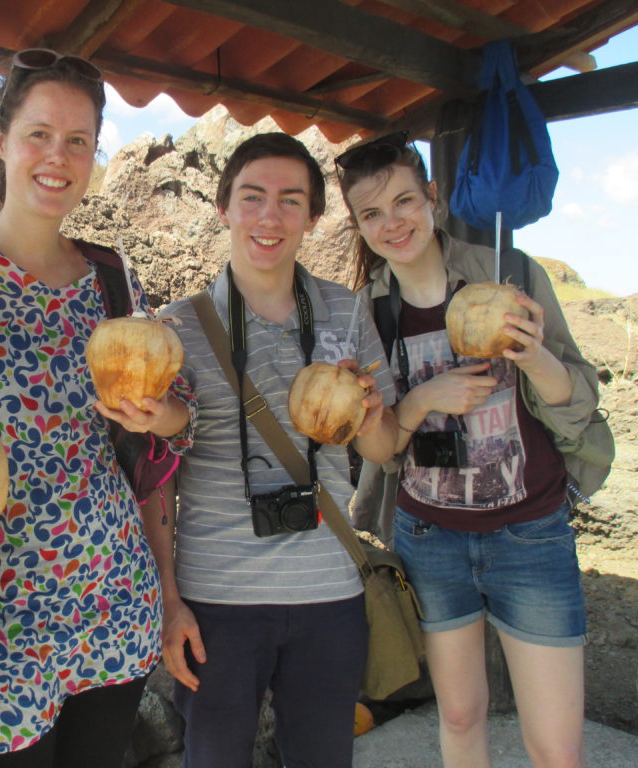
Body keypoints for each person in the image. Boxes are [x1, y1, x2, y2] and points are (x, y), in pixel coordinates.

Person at [0, 49, 195, 767]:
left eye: (78, 141)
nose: (57, 158)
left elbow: (170, 443)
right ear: (0, 139)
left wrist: (166, 421)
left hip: (115, 599)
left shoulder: (113, 277)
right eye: (38, 134)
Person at [337, 132, 594, 768]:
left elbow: (577, 397)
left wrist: (533, 355)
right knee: (458, 714)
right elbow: (382, 444)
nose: (393, 223)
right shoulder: (365, 316)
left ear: (433, 198)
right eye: (372, 213)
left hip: (530, 535)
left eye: (404, 201)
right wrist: (425, 399)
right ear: (359, 226)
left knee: (556, 747)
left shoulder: (513, 275)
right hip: (431, 538)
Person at [153, 132, 399, 767]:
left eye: (291, 201)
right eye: (252, 197)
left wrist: (369, 410)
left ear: (314, 218)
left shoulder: (345, 312)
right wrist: (169, 601)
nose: (270, 217)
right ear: (223, 208)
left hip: (329, 595)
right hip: (217, 605)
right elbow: (158, 481)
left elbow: (382, 447)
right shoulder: (175, 328)